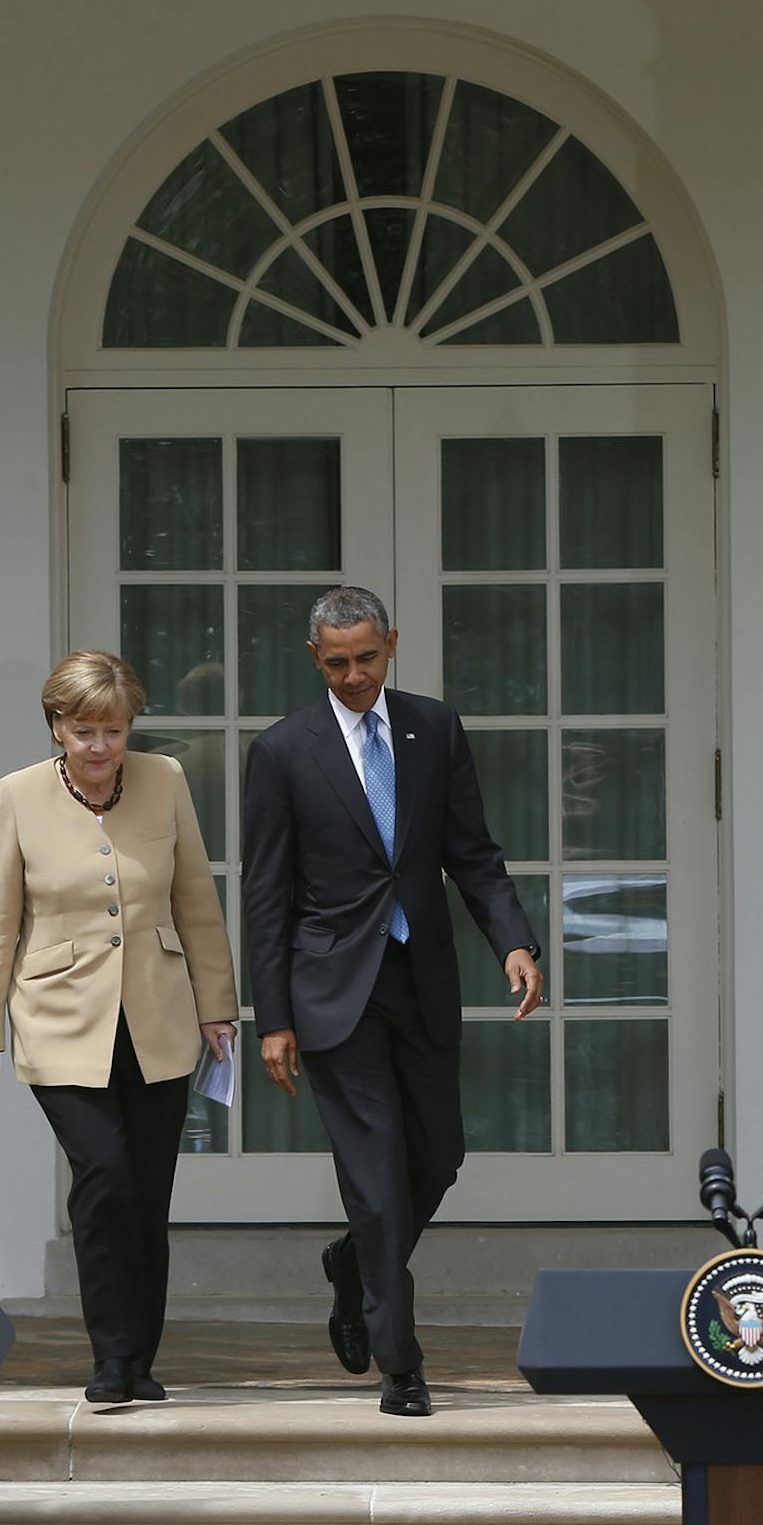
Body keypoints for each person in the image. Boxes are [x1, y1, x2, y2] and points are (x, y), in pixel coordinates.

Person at [241, 587, 542, 1417]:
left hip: (422, 979)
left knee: (437, 1156)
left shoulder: (434, 727)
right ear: (314, 659)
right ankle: (400, 1362)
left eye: (367, 658)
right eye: (336, 662)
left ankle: (354, 1264)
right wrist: (273, 1017)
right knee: (375, 1180)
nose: (353, 676)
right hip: (333, 990)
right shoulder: (281, 751)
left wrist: (514, 940)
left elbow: (472, 852)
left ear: (392, 644)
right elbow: (265, 895)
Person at [0, 650, 239, 1403]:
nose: (99, 747)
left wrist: (218, 1004)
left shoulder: (167, 780)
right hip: (57, 1019)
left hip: (159, 1016)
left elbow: (196, 897)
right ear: (56, 727)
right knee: (106, 1176)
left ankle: (141, 1359)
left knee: (148, 1191)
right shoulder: (15, 796)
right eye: (83, 730)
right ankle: (109, 1356)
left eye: (113, 730)